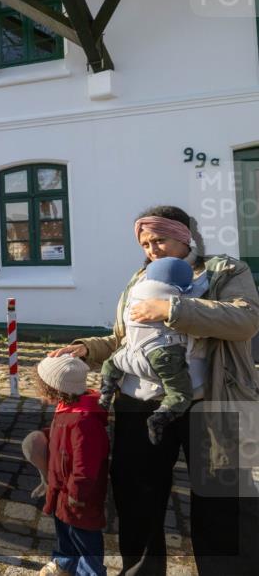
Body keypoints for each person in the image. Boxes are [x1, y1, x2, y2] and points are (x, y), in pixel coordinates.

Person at [48, 205, 259, 576]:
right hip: (140, 405)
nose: (151, 250)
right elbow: (124, 340)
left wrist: (173, 308)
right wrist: (86, 348)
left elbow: (245, 319)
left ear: (184, 236)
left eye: (158, 240)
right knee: (137, 500)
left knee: (221, 504)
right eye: (145, 243)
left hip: (209, 403)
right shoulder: (139, 279)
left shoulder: (225, 271)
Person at [98, 256, 204, 444]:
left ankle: (106, 392)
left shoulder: (135, 293)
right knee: (180, 394)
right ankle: (159, 418)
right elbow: (199, 314)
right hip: (163, 356)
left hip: (129, 354)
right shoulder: (183, 296)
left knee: (111, 363)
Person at [26, 356, 109, 576]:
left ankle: (90, 572)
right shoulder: (67, 408)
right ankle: (65, 564)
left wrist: (77, 492)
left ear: (55, 388)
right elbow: (62, 439)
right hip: (62, 487)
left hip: (80, 495)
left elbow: (85, 463)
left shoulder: (84, 420)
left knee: (85, 537)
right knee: (64, 528)